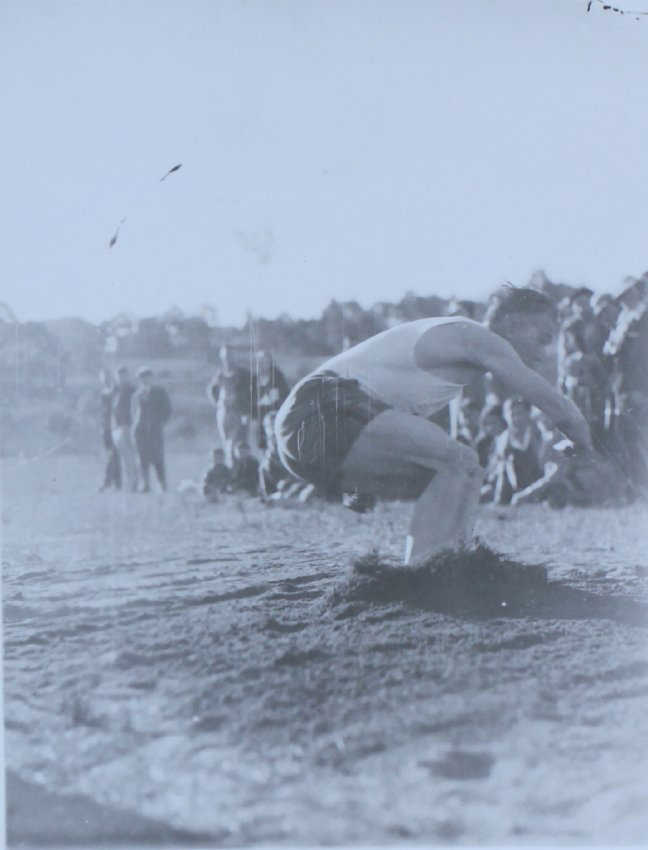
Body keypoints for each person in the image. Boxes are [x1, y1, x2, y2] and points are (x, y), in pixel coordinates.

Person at [274, 286, 593, 565]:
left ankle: (450, 567)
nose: (544, 353)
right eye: (542, 338)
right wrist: (584, 444)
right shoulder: (478, 337)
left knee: (467, 471)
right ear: (512, 324)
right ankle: (421, 574)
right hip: (317, 410)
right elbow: (556, 406)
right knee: (459, 462)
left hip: (311, 431)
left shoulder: (459, 352)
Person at [491, 398, 545, 505]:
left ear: (527, 414)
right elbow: (502, 473)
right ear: (506, 416)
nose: (516, 419)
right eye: (512, 415)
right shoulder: (503, 439)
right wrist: (499, 498)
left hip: (536, 482)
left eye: (519, 414)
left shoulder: (537, 434)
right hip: (513, 485)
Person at [207, 346, 254, 467]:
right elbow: (212, 390)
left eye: (230, 356)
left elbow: (252, 393)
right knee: (226, 442)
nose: (228, 359)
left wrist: (238, 399)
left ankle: (239, 469)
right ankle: (230, 468)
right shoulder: (220, 375)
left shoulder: (244, 374)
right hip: (224, 413)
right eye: (225, 357)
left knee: (238, 444)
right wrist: (218, 402)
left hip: (240, 413)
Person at [133, 368, 172, 492]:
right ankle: (145, 484)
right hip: (141, 429)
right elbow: (135, 411)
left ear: (151, 377)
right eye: (142, 378)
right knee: (142, 457)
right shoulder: (138, 393)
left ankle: (162, 483)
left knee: (157, 457)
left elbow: (167, 410)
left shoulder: (159, 392)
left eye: (146, 377)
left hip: (155, 429)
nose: (144, 380)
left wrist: (159, 422)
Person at [253, 351, 290, 450]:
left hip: (275, 411)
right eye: (259, 362)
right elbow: (250, 397)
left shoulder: (278, 377)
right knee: (261, 441)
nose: (262, 365)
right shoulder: (254, 379)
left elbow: (285, 394)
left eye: (264, 362)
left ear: (270, 363)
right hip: (260, 412)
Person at [112, 366, 139, 491]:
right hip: (118, 427)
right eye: (119, 376)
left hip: (128, 426)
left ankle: (135, 482)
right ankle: (129, 482)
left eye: (123, 375)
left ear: (127, 376)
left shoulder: (132, 391)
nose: (121, 378)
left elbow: (136, 409)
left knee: (131, 456)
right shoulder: (116, 390)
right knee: (123, 456)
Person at [99, 369, 121, 491]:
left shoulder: (114, 391)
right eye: (104, 378)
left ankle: (108, 481)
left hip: (114, 426)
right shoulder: (103, 392)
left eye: (108, 378)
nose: (106, 380)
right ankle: (116, 483)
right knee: (111, 455)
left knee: (114, 454)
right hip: (105, 427)